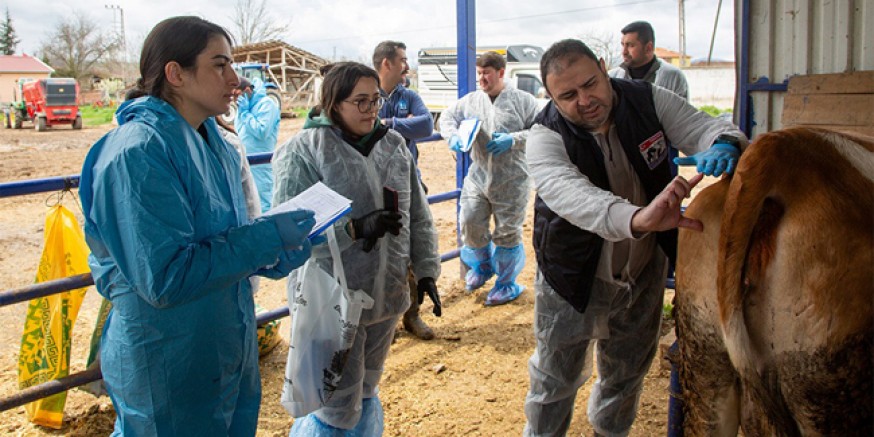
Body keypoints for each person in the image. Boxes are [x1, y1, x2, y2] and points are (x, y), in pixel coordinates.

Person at [78, 16, 316, 435]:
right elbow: (166, 276)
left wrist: (267, 255)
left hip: (221, 340)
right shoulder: (137, 152)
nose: (235, 78)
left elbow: (219, 242)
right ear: (176, 74)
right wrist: (264, 237)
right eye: (220, 65)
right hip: (168, 352)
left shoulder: (215, 145)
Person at [522, 39, 746, 436]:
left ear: (605, 69)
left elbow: (701, 126)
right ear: (551, 97)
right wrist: (639, 218)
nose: (585, 100)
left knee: (626, 372)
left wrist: (723, 141)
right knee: (555, 378)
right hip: (574, 272)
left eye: (590, 84)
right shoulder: (544, 135)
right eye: (568, 95)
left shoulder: (648, 100)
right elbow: (569, 193)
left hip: (642, 269)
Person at [272, 61, 442, 435]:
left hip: (386, 295)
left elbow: (418, 212)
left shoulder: (393, 145)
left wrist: (427, 268)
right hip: (332, 300)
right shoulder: (304, 151)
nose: (370, 110)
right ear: (334, 103)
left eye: (375, 100)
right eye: (360, 102)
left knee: (366, 387)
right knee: (332, 400)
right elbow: (287, 232)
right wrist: (353, 229)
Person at [438, 51, 539, 306]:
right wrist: (451, 136)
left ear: (501, 73)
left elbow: (540, 130)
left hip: (512, 179)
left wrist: (513, 140)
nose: (482, 78)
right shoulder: (471, 101)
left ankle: (506, 284)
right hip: (478, 175)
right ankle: (482, 267)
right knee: (470, 220)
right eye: (479, 73)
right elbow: (447, 117)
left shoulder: (523, 101)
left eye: (487, 73)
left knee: (507, 232)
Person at [372, 40, 439, 340]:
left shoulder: (409, 95)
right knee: (376, 252)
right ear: (386, 63)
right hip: (372, 186)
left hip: (408, 184)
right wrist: (404, 124)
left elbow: (426, 126)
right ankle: (382, 317)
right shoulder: (366, 92)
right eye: (402, 59)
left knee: (412, 247)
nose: (406, 65)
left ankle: (412, 315)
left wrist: (388, 123)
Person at [609, 21, 690, 101]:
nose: (624, 52)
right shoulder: (613, 77)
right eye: (623, 45)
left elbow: (682, 113)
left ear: (648, 48)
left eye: (631, 45)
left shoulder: (673, 77)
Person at [236, 75, 281, 212]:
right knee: (250, 202)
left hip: (261, 163)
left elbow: (262, 131)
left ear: (248, 90)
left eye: (237, 95)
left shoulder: (267, 104)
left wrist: (245, 113)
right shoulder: (244, 107)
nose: (235, 100)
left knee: (264, 202)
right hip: (246, 161)